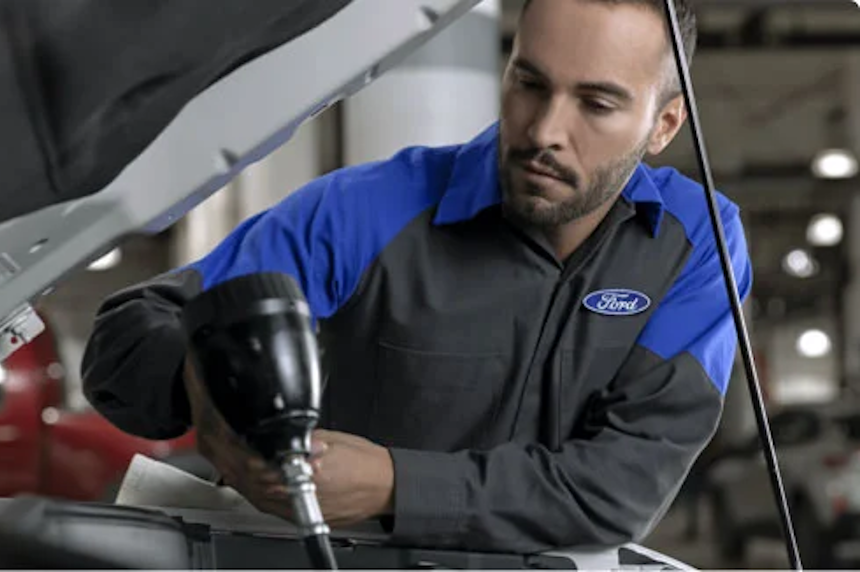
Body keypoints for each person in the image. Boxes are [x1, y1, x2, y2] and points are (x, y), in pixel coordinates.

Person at [81, 0, 752, 555]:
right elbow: (129, 338)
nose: (545, 129)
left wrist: (393, 484)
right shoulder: (366, 212)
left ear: (663, 124)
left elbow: (620, 488)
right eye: (529, 83)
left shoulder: (696, 247)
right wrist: (205, 386)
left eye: (596, 104)